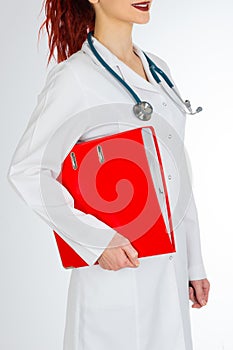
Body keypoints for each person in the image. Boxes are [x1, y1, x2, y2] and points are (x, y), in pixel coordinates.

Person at [7, 0, 210, 349]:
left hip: (169, 270)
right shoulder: (76, 77)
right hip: (116, 274)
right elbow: (28, 170)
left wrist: (194, 263)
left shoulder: (159, 70)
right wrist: (97, 241)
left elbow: (175, 169)